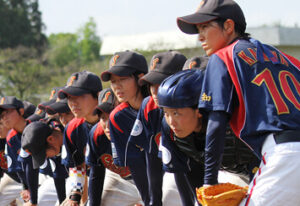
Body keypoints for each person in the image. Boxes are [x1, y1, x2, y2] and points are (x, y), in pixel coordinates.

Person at [177, 0, 300, 205]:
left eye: (205, 27)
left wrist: (209, 181)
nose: (200, 36)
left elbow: (217, 121)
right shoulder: (286, 58)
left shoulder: (223, 56)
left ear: (228, 26)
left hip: (285, 153)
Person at [128, 50, 186, 206]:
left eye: (160, 82)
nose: (153, 89)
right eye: (151, 83)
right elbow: (151, 155)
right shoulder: (148, 106)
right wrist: (154, 201)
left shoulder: (195, 106)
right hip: (174, 171)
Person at [100, 50, 151, 205]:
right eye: (113, 81)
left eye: (122, 79)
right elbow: (134, 166)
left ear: (140, 78)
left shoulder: (159, 107)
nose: (117, 86)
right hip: (138, 180)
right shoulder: (117, 117)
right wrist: (149, 200)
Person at [86, 88, 143, 206]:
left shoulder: (137, 126)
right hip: (121, 180)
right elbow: (96, 175)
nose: (107, 124)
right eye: (103, 118)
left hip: (153, 177)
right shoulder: (97, 135)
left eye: (112, 116)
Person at [57, 70, 102, 206]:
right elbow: (77, 166)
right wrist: (75, 194)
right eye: (69, 97)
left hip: (129, 178)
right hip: (96, 179)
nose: (73, 102)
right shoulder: (72, 128)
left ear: (98, 96)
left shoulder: (114, 119)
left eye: (79, 95)